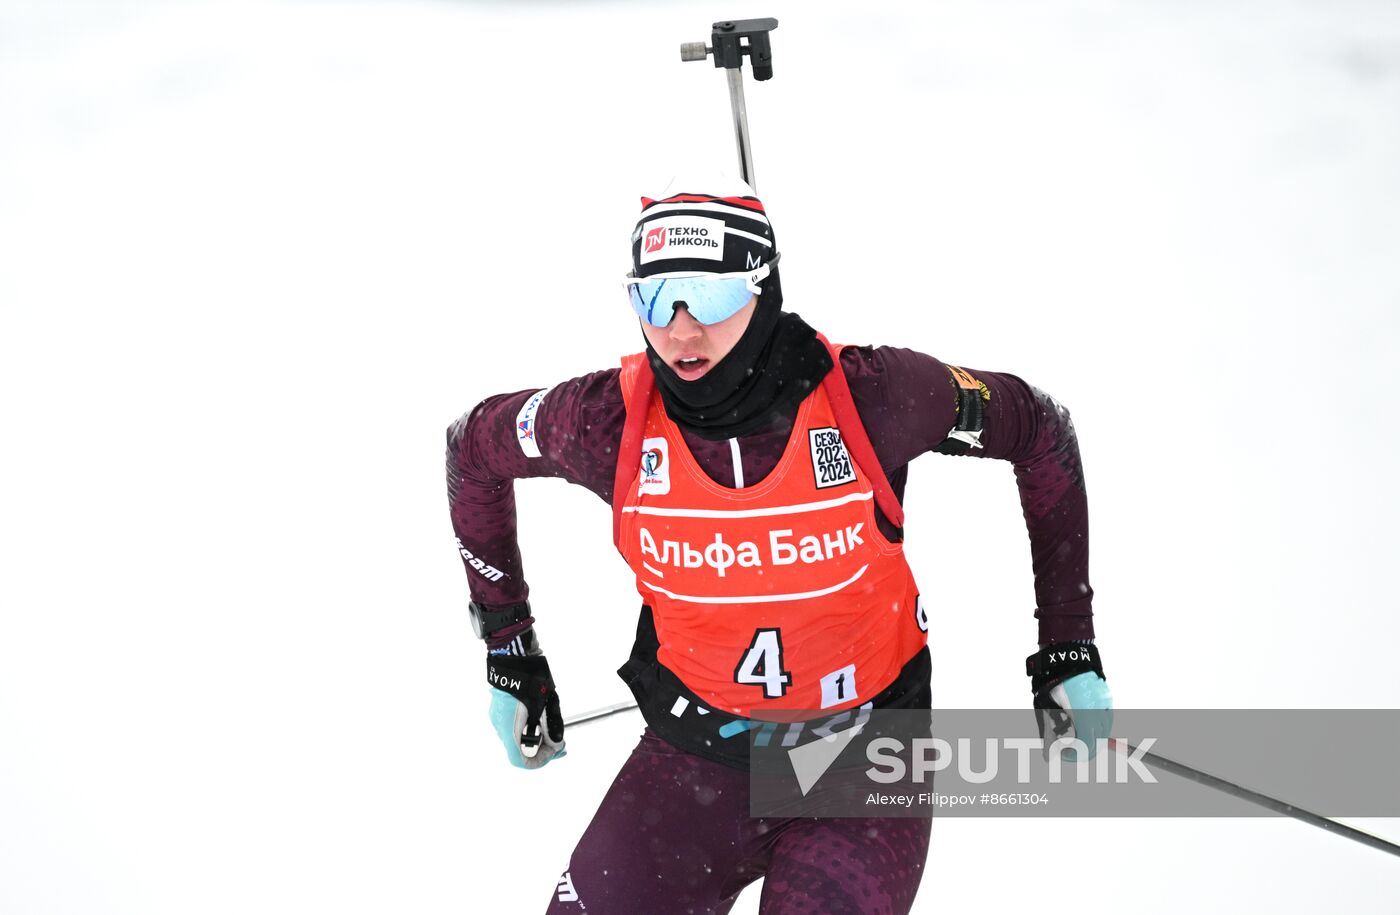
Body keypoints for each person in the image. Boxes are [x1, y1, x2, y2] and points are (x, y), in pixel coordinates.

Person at [446, 179, 1112, 914]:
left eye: (712, 296)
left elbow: (1040, 430)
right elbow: (470, 448)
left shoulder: (875, 397)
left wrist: (1068, 644)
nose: (681, 330)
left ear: (764, 290)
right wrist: (509, 646)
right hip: (693, 755)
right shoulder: (604, 420)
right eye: (654, 297)